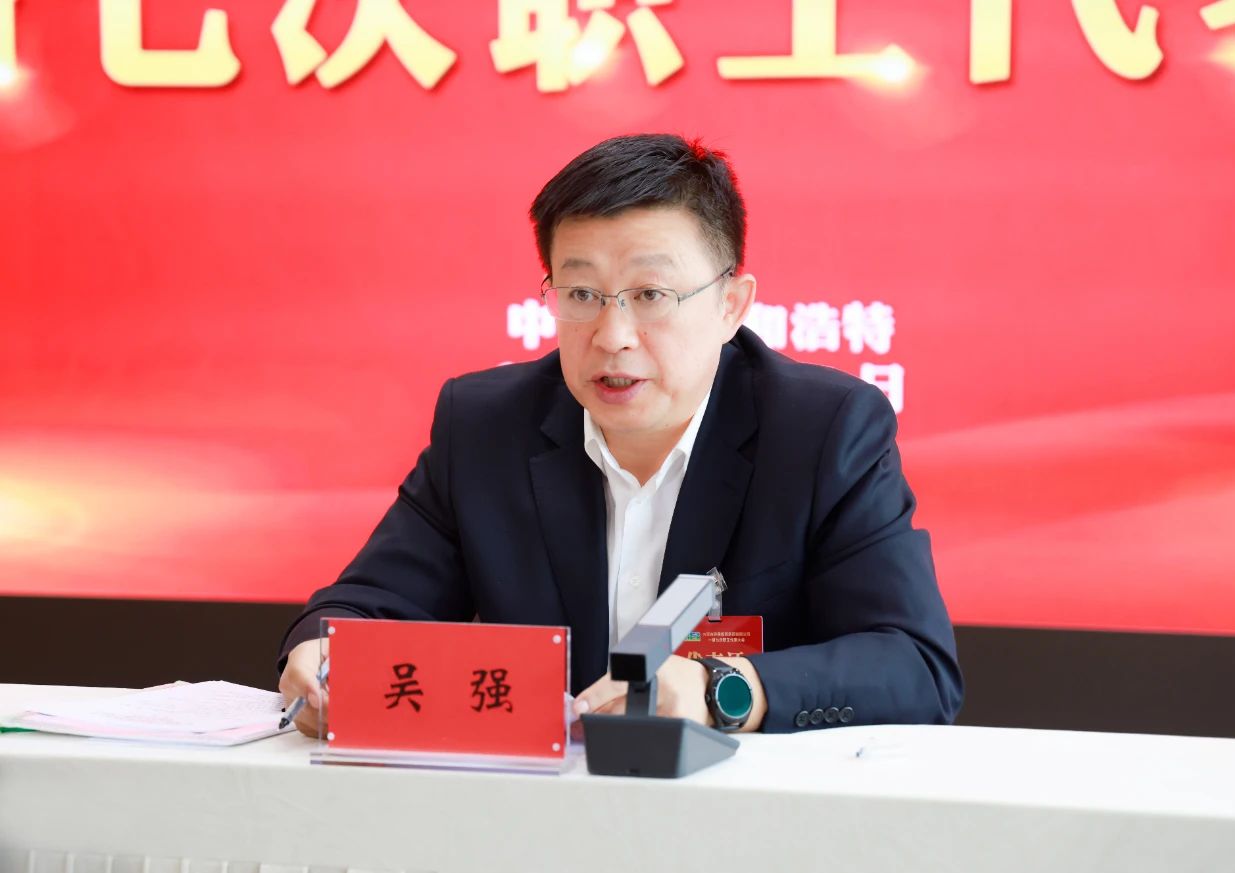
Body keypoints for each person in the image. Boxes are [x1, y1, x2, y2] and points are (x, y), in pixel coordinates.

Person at [278, 133, 962, 736]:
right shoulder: (486, 428)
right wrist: (322, 654)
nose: (612, 336)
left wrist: (721, 689)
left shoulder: (824, 432)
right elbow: (363, 607)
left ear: (731, 305)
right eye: (582, 295)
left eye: (650, 295)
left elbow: (914, 663)